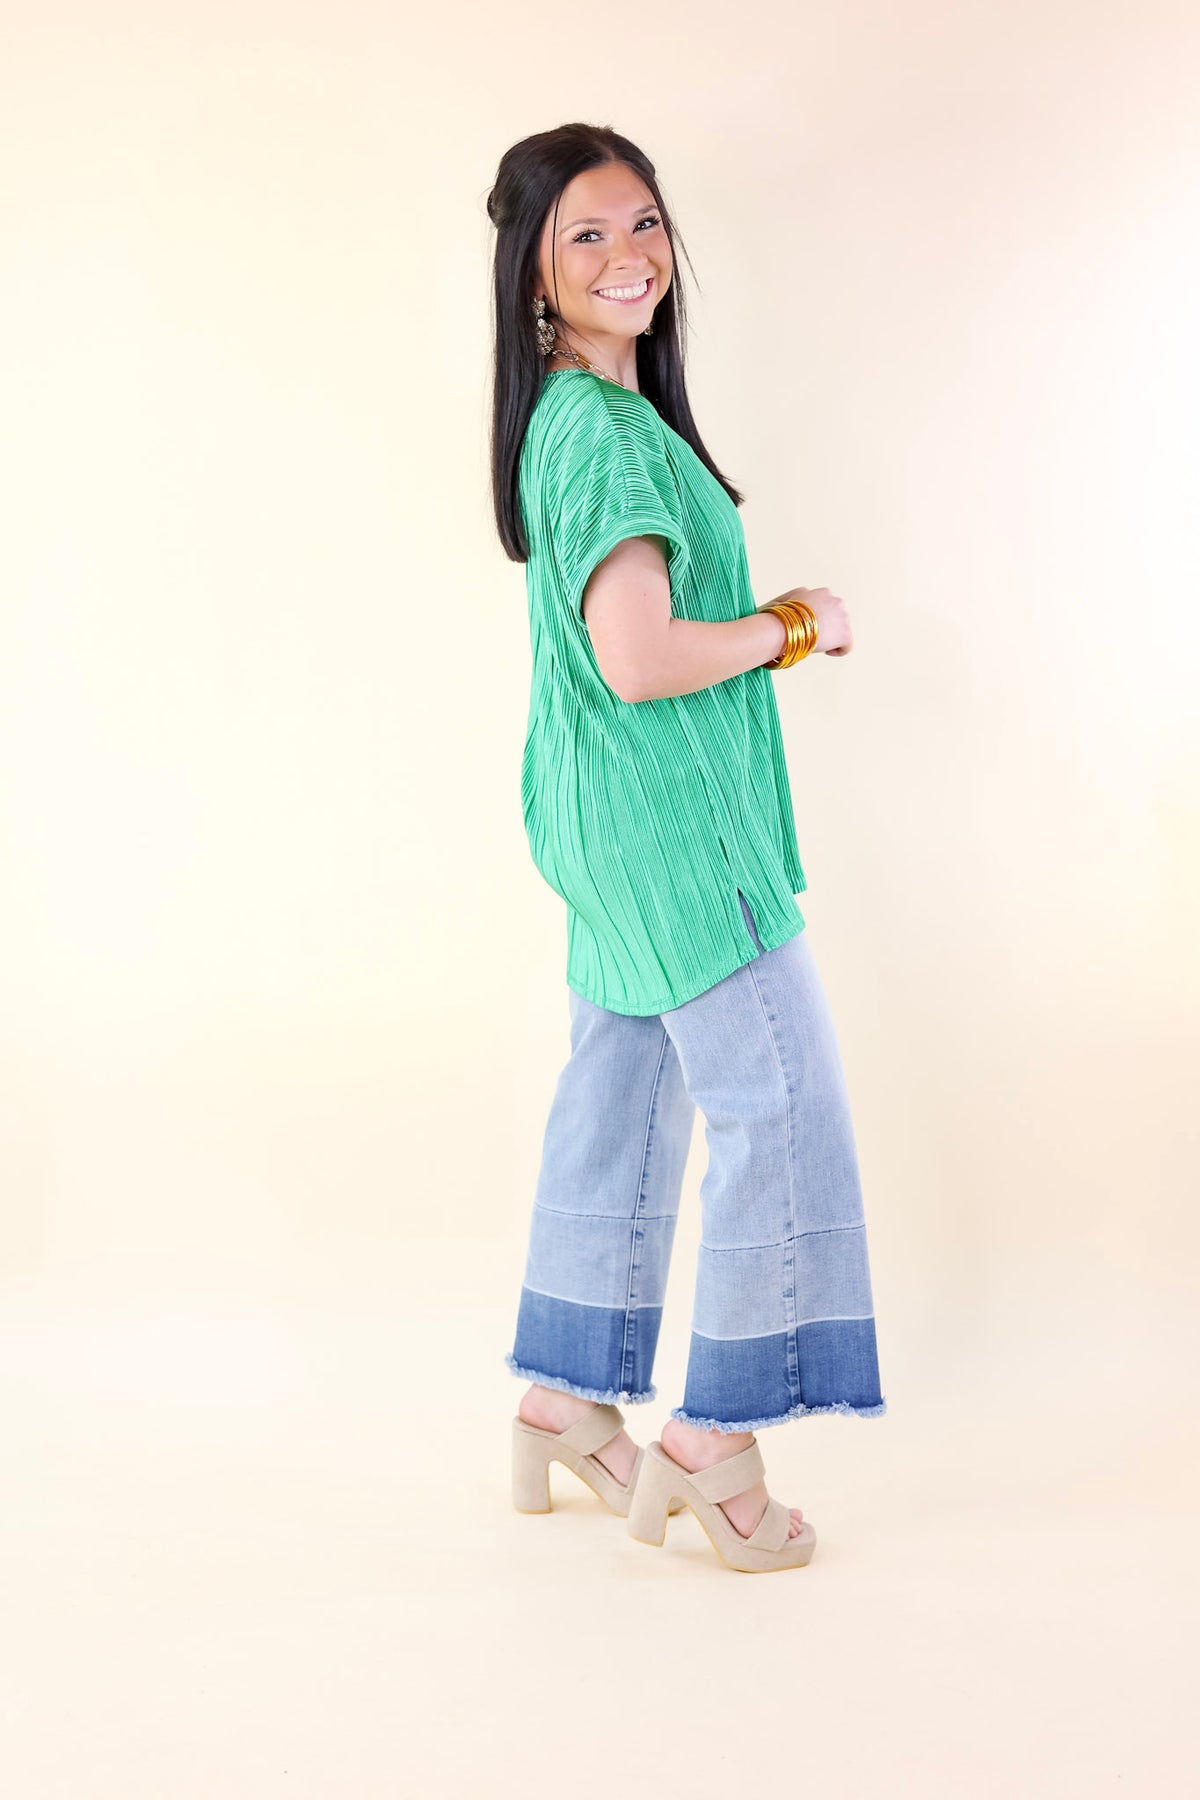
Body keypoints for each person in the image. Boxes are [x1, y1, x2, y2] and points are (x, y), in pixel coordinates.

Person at [485, 123, 886, 1574]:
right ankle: (714, 1444)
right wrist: (792, 627)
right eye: (587, 235)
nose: (629, 256)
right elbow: (640, 654)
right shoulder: (599, 432)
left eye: (643, 222)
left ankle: (563, 1400)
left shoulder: (576, 418)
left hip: (601, 822)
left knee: (624, 1090)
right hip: (672, 831)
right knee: (781, 1105)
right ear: (534, 271)